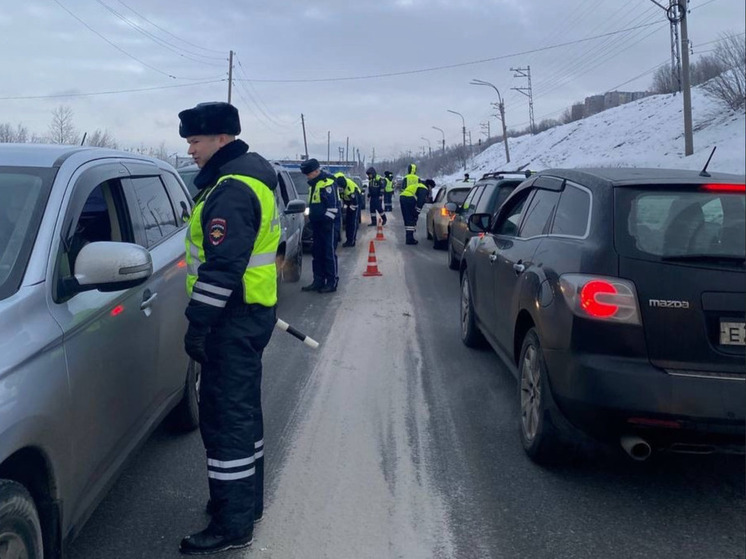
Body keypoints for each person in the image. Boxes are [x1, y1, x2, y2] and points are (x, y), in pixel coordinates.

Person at [178, 102, 279, 555]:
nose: (191, 150)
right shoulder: (247, 176)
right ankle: (245, 502)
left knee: (225, 420)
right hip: (249, 315)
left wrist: (198, 324)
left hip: (231, 320)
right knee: (243, 415)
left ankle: (232, 524)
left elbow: (221, 269)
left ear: (222, 138)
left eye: (196, 141)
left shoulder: (232, 188)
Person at [300, 158, 340, 293]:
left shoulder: (327, 183)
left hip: (328, 225)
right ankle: (318, 281)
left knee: (328, 253)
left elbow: (333, 207)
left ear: (316, 171)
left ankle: (331, 282)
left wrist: (327, 222)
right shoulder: (313, 184)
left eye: (309, 173)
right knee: (317, 254)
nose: (307, 176)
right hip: (316, 225)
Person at [399, 163, 429, 245]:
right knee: (412, 217)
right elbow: (420, 195)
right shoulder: (418, 178)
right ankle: (410, 238)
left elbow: (403, 189)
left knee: (408, 217)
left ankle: (409, 236)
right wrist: (417, 210)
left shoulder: (405, 178)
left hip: (405, 197)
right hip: (412, 199)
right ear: (415, 170)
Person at [334, 171, 361, 247]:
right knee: (346, 222)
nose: (340, 190)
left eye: (341, 189)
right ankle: (346, 238)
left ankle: (351, 241)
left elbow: (354, 204)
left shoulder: (350, 189)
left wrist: (349, 208)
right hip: (346, 201)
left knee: (352, 221)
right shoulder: (335, 182)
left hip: (354, 200)